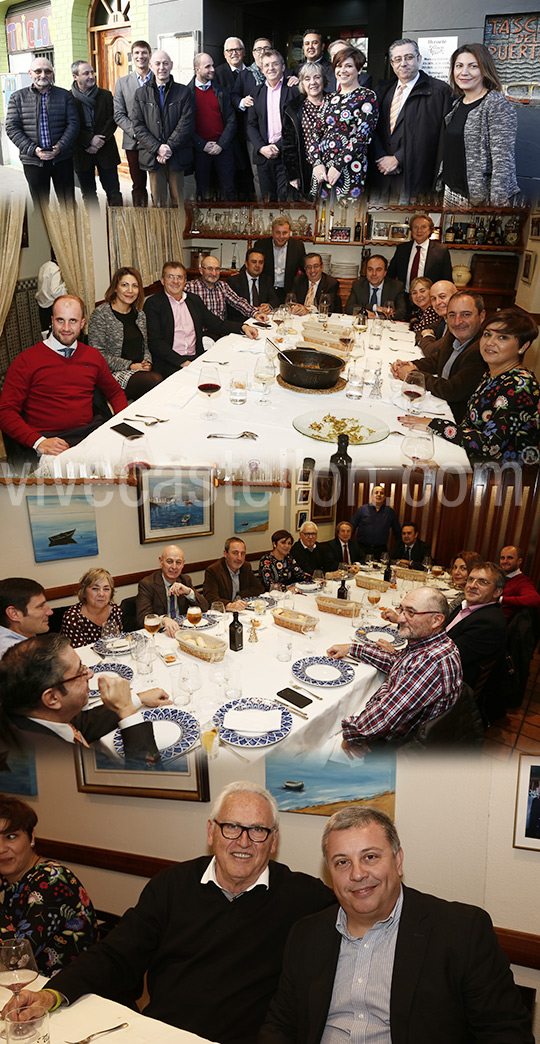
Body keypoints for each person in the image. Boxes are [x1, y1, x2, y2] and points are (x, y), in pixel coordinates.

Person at [6, 782, 335, 1044]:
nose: (243, 841)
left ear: (273, 840)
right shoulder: (172, 884)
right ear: (211, 832)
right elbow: (116, 954)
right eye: (231, 827)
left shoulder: (304, 897)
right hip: (160, 1032)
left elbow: (362, 920)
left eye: (258, 830)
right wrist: (52, 994)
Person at [259, 806, 533, 1043]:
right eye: (342, 862)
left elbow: (506, 1033)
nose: (357, 874)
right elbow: (281, 1024)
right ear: (330, 873)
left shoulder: (461, 932)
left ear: (398, 860)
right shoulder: (306, 934)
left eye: (370, 857)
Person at [0, 295, 127, 473]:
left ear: (82, 323)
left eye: (73, 321)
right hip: (51, 442)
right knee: (77, 486)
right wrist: (38, 441)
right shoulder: (26, 361)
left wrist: (121, 423)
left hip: (89, 434)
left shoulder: (92, 356)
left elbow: (114, 392)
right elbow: (5, 411)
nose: (66, 328)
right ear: (52, 320)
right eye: (60, 320)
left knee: (129, 463)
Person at [401, 309, 540, 465]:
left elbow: (489, 445)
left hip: (499, 475)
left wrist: (435, 424)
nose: (490, 342)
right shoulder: (492, 374)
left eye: (502, 337)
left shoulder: (520, 385)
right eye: (487, 334)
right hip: (472, 456)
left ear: (523, 346)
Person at [328, 587, 462, 746]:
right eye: (402, 610)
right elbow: (398, 661)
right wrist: (353, 648)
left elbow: (386, 715)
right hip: (399, 728)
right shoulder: (434, 645)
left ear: (436, 620)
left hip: (397, 747)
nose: (400, 619)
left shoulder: (431, 662)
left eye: (411, 612)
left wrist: (352, 736)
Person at [0, 634, 162, 757]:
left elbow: (77, 724)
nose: (90, 674)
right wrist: (127, 711)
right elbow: (152, 787)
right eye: (80, 671)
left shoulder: (29, 715)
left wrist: (135, 699)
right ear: (52, 698)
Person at [0, 795, 98, 974]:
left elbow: (15, 960)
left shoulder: (52, 880)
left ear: (31, 837)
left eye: (11, 836)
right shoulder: (6, 881)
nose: (1, 848)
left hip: (67, 994)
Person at [370, 38, 453, 203]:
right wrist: (381, 158)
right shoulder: (382, 91)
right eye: (398, 59)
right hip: (382, 176)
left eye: (409, 57)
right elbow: (371, 128)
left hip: (414, 176)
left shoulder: (439, 92)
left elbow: (433, 136)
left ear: (419, 59)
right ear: (392, 64)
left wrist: (398, 158)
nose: (403, 63)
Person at [144, 262, 257, 378]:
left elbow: (216, 323)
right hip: (169, 362)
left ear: (185, 281)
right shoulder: (153, 304)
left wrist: (243, 327)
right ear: (162, 280)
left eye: (179, 277)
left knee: (229, 372)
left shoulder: (193, 300)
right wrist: (182, 362)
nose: (175, 281)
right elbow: (155, 342)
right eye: (170, 277)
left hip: (195, 358)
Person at [441, 43, 519, 206]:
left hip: (479, 198)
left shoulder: (497, 105)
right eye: (459, 66)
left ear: (485, 70)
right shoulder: (458, 103)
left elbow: (503, 161)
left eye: (473, 66)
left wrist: (495, 203)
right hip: (451, 192)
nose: (464, 72)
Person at [392, 291, 487, 423]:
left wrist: (413, 375)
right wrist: (409, 364)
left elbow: (452, 390)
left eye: (466, 314)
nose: (457, 321)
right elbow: (436, 360)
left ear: (481, 316)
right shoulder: (453, 335)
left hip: (455, 419)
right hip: (438, 404)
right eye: (452, 315)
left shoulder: (481, 350)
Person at [5, 57, 79, 205]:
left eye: (47, 71)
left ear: (52, 74)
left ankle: (70, 228)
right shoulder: (17, 98)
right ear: (30, 73)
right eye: (38, 71)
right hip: (33, 161)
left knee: (68, 204)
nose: (43, 75)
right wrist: (34, 150)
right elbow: (12, 127)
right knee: (40, 206)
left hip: (61, 159)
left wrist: (59, 148)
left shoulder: (65, 96)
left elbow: (74, 124)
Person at [309, 47, 378, 200]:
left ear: (359, 69)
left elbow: (362, 136)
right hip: (322, 170)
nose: (342, 70)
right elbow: (315, 133)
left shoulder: (366, 96)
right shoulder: (328, 98)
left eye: (349, 66)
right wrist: (316, 163)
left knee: (346, 218)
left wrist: (338, 166)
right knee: (320, 217)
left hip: (349, 168)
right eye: (339, 66)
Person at [131, 50, 194, 208]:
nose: (162, 67)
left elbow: (186, 123)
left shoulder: (184, 92)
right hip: (153, 156)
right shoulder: (140, 94)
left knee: (178, 201)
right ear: (151, 66)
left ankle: (180, 232)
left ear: (171, 65)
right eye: (158, 63)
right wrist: (158, 148)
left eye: (165, 63)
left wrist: (169, 147)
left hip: (177, 154)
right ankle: (161, 232)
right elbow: (138, 125)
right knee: (158, 202)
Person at [87, 268, 161, 399]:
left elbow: (146, 347)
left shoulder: (140, 315)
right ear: (115, 288)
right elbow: (97, 355)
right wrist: (130, 365)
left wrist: (147, 362)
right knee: (155, 381)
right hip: (112, 373)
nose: (130, 291)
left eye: (135, 286)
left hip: (139, 371)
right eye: (124, 285)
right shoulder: (101, 314)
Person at [247, 50, 299, 202]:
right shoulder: (256, 92)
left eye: (275, 64)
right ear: (262, 70)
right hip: (264, 156)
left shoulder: (293, 91)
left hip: (286, 156)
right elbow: (251, 125)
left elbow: (297, 125)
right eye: (267, 65)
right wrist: (261, 147)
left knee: (286, 202)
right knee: (267, 202)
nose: (271, 68)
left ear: (283, 67)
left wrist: (278, 146)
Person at [446, 562, 507, 687]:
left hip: (451, 684)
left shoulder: (488, 624)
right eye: (470, 579)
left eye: (483, 582)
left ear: (497, 592)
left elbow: (447, 659)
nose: (472, 586)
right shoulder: (466, 606)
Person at [70, 61, 122, 207]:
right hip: (82, 151)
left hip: (106, 150)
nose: (91, 76)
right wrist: (89, 140)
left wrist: (99, 142)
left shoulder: (105, 95)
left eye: (92, 72)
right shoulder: (68, 98)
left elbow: (112, 120)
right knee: (88, 195)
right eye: (86, 73)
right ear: (75, 76)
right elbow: (70, 125)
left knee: (114, 193)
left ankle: (117, 225)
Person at [189, 53, 237, 200]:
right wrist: (202, 145)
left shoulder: (221, 91)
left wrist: (220, 145)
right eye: (207, 66)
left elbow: (231, 120)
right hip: (200, 150)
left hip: (223, 148)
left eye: (212, 65)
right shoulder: (187, 93)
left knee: (229, 189)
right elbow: (185, 125)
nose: (212, 69)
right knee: (203, 191)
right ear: (197, 69)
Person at [136, 544, 208, 636]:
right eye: (169, 561)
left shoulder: (185, 580)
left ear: (183, 564)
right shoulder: (147, 584)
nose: (174, 567)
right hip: (160, 634)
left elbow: (205, 608)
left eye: (178, 562)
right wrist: (163, 619)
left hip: (182, 632)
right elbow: (142, 618)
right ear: (161, 561)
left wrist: (189, 592)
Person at [214, 37, 254, 199]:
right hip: (228, 134)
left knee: (251, 176)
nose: (234, 53)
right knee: (230, 179)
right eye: (230, 50)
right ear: (224, 54)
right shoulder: (216, 73)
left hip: (251, 133)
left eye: (237, 49)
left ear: (244, 52)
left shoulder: (254, 72)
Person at [282, 62, 330, 200]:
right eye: (307, 79)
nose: (313, 82)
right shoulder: (293, 108)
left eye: (317, 77)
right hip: (305, 169)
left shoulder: (335, 103)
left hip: (331, 169)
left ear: (324, 80)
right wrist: (293, 176)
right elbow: (288, 145)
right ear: (302, 83)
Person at [113, 40, 152, 206]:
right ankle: (140, 218)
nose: (140, 56)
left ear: (149, 55)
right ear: (132, 56)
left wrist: (151, 137)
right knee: (138, 185)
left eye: (144, 52)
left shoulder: (159, 79)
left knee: (160, 185)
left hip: (157, 141)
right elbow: (119, 114)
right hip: (133, 143)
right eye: (136, 53)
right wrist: (138, 134)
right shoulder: (122, 83)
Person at [387, 214, 453, 299]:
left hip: (430, 300)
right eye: (415, 227)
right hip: (405, 298)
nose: (419, 230)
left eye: (423, 227)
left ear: (430, 230)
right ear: (411, 230)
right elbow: (390, 275)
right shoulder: (402, 249)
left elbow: (447, 280)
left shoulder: (441, 251)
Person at [187, 255, 263, 323]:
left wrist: (255, 313)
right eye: (210, 269)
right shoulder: (189, 287)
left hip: (220, 332)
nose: (214, 273)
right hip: (200, 332)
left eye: (217, 269)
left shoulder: (223, 286)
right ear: (201, 270)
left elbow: (238, 302)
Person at [60, 568, 123, 649]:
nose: (101, 594)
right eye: (95, 588)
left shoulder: (115, 611)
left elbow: (118, 644)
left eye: (106, 589)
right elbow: (79, 654)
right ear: (84, 593)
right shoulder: (73, 618)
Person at [202, 538, 264, 610]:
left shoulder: (246, 566)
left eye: (242, 553)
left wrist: (239, 596)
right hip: (223, 613)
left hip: (242, 610)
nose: (239, 558)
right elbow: (210, 597)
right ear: (225, 554)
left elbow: (259, 588)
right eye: (235, 553)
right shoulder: (214, 570)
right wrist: (229, 605)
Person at [254, 217, 306, 302]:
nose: (281, 236)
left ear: (289, 233)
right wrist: (240, 275)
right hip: (265, 292)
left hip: (289, 293)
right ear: (272, 233)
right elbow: (252, 263)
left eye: (285, 233)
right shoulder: (261, 245)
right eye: (278, 232)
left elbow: (304, 267)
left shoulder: (298, 246)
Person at [0, 579, 52, 659]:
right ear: (14, 614)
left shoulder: (26, 637)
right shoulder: (17, 656)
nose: (50, 612)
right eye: (40, 606)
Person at [345, 254, 406, 319]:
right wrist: (374, 307)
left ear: (385, 272)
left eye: (378, 270)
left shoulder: (396, 286)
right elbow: (349, 308)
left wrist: (376, 316)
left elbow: (401, 312)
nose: (374, 273)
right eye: (370, 269)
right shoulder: (358, 285)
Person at [351, 485, 401, 557]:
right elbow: (351, 527)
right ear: (371, 495)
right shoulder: (362, 510)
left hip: (380, 550)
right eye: (376, 492)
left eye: (381, 493)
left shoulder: (389, 512)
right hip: (362, 549)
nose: (379, 495)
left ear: (384, 497)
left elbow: (398, 532)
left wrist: (396, 550)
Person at [226, 248, 280, 313]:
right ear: (246, 264)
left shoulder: (266, 280)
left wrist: (268, 306)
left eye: (261, 262)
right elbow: (231, 308)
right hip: (242, 320)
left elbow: (275, 299)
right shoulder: (234, 281)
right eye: (254, 262)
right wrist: (254, 310)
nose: (257, 265)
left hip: (263, 318)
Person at [499, 545, 540, 621]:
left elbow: (535, 599)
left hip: (502, 624)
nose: (505, 561)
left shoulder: (523, 582)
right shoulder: (496, 576)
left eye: (510, 558)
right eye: (502, 558)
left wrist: (502, 599)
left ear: (519, 561)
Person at [416, 279, 457, 352]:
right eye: (433, 298)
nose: (437, 302)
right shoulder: (443, 320)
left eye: (442, 296)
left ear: (456, 296)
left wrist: (427, 336)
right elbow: (420, 330)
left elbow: (432, 351)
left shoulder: (458, 325)